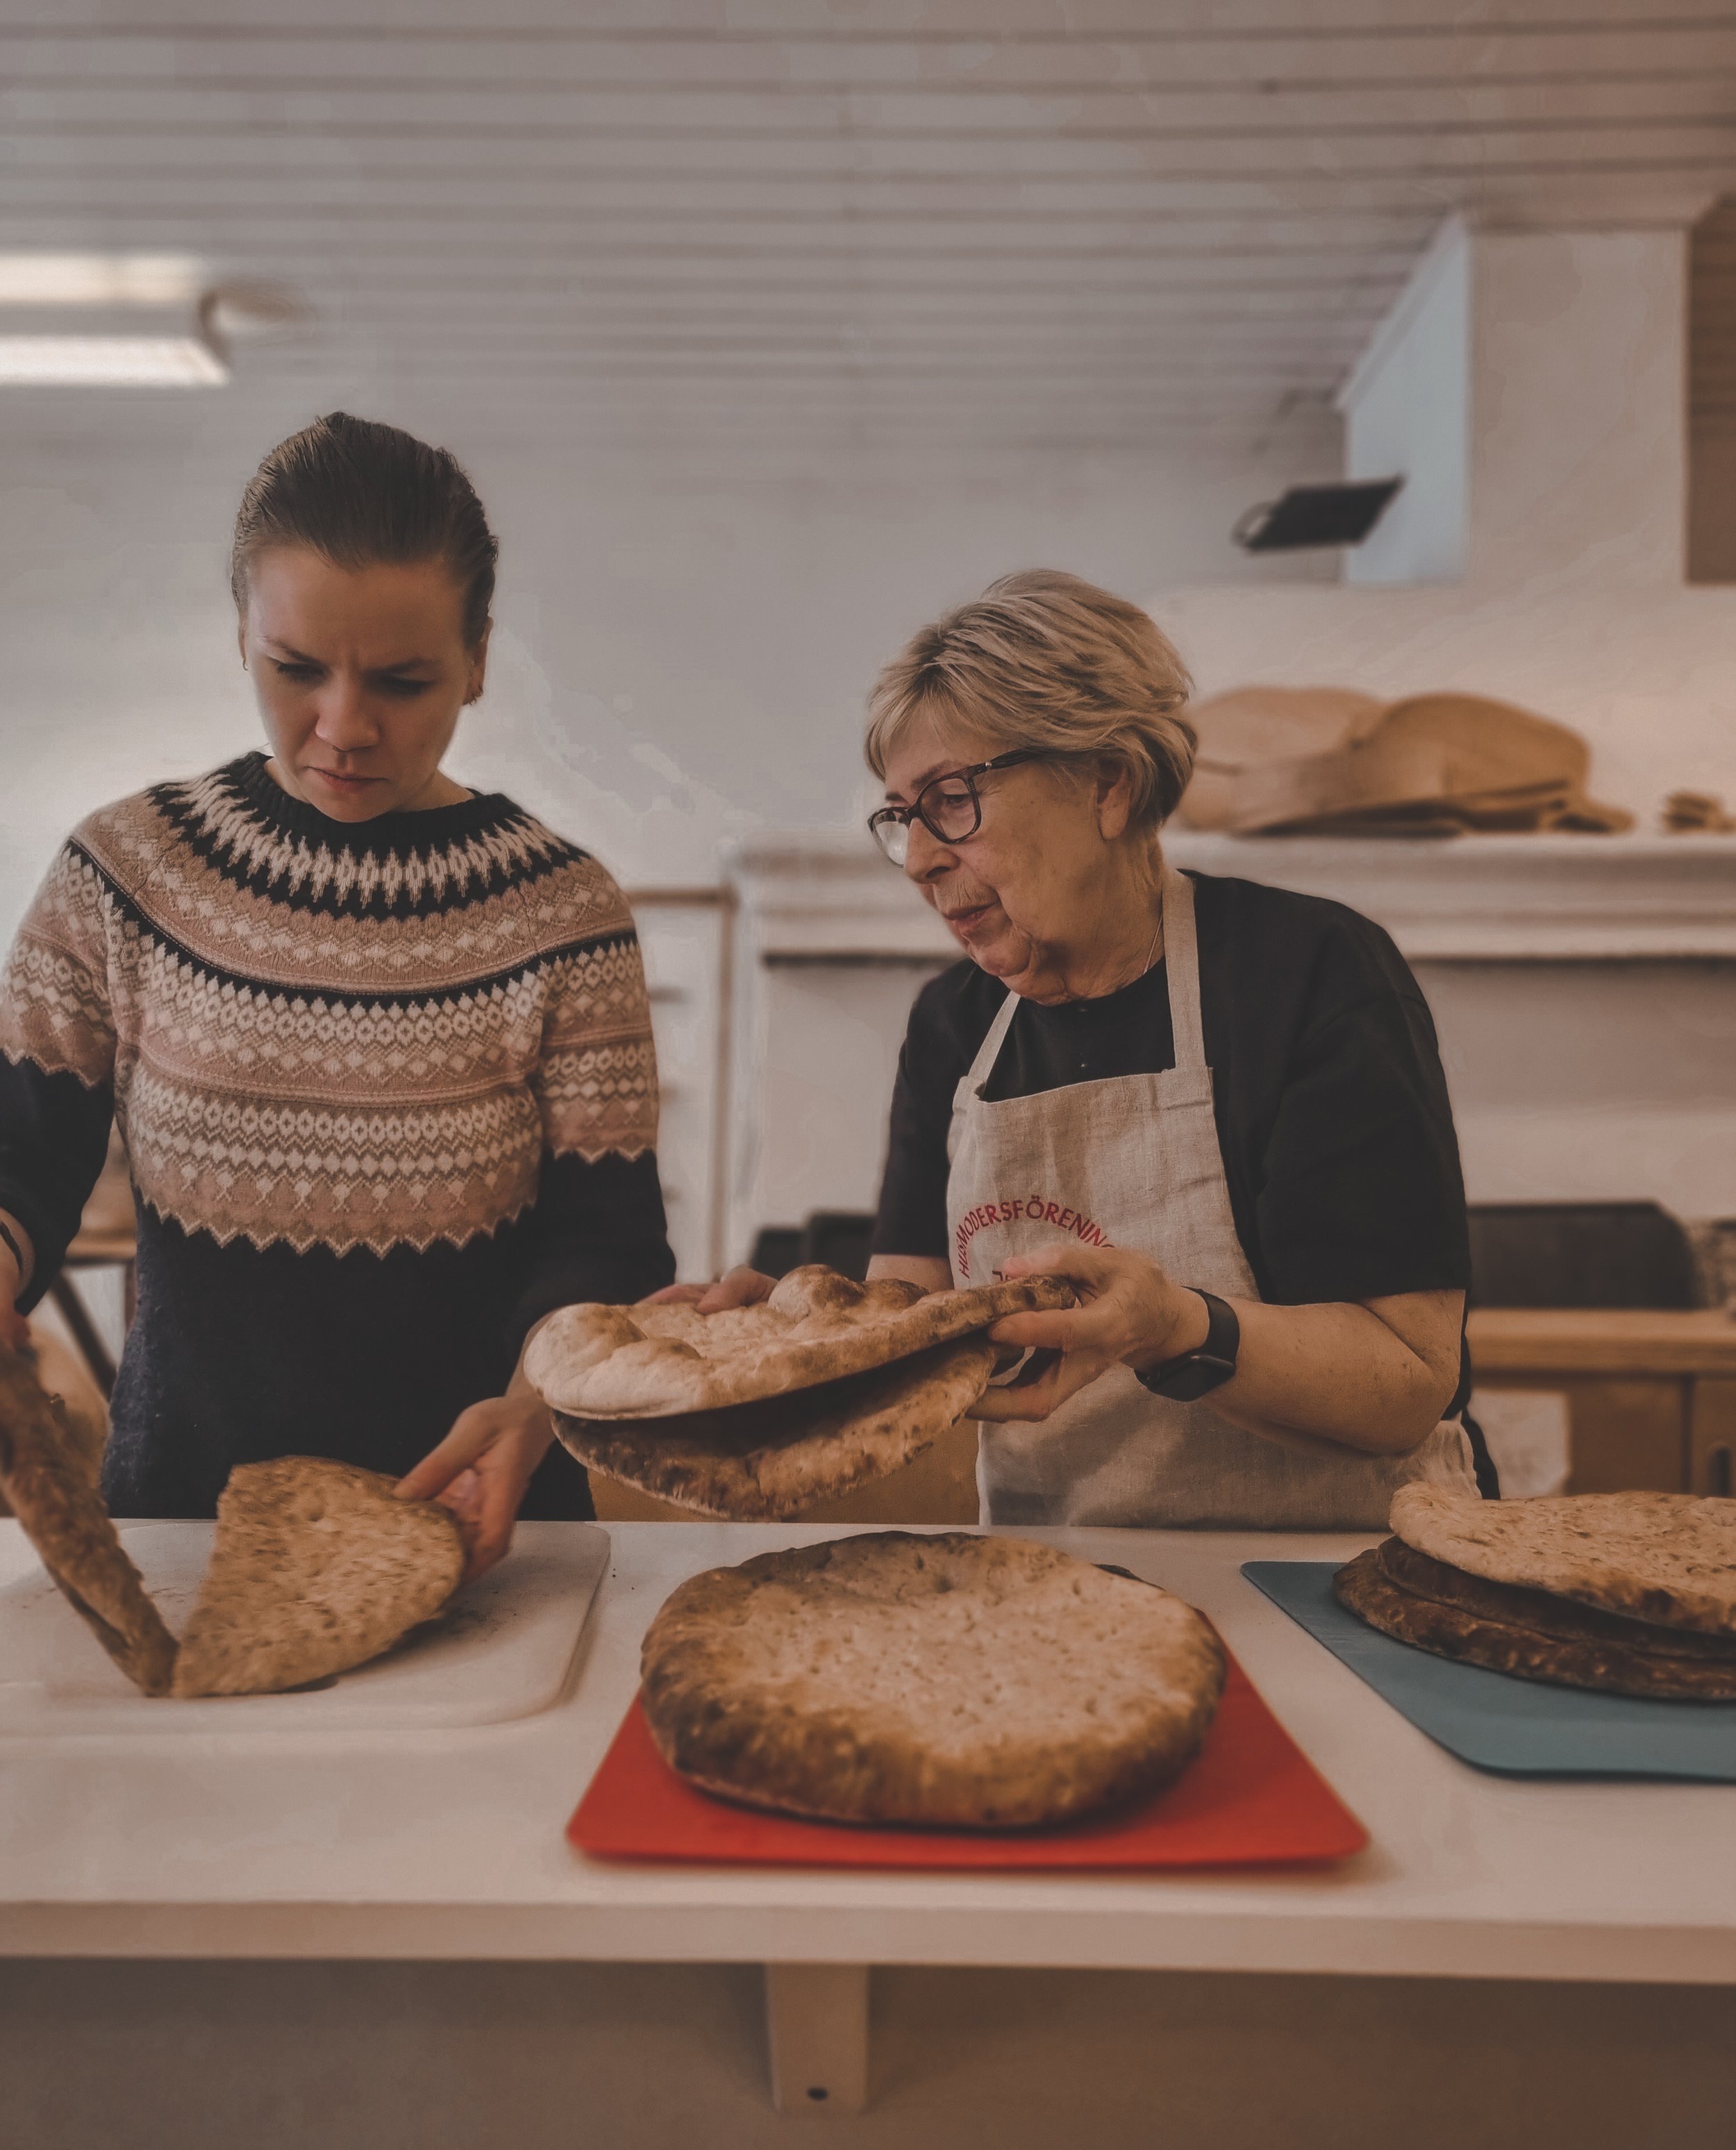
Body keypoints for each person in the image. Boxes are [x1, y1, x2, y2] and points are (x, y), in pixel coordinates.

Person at [0, 412, 674, 1574]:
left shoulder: (564, 916)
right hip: (186, 1535)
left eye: (404, 680)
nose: (344, 728)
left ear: (478, 657)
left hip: (484, 1537)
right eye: (297, 669)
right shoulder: (126, 875)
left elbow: (604, 1247)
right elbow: (20, 1159)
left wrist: (533, 1406)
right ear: (243, 637)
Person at [691, 570, 1485, 1530]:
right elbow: (909, 1340)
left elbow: (1406, 1379)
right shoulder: (952, 1026)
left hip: (1343, 1573)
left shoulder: (1308, 974)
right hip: (1059, 1582)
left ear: (1108, 782)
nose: (920, 858)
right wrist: (773, 1347)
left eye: (952, 799)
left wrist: (1176, 1324)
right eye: (903, 816)